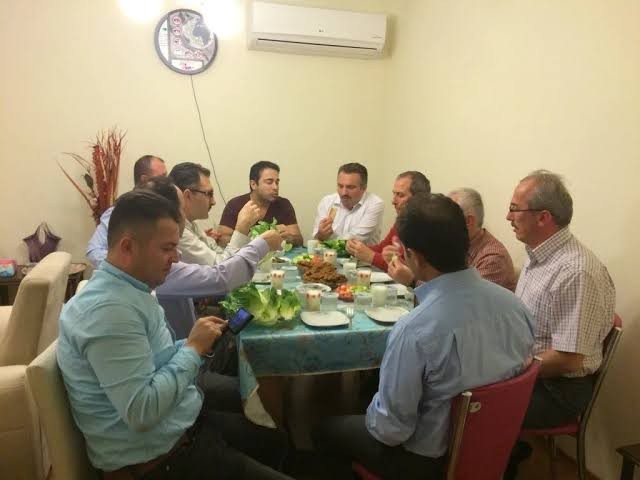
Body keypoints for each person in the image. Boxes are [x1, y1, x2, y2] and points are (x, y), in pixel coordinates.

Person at [58, 190, 292, 480]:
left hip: (182, 424)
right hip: (159, 461)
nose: (177, 257)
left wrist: (195, 341)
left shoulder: (132, 288)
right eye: (167, 248)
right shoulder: (107, 311)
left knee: (275, 441)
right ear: (128, 247)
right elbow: (142, 411)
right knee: (267, 431)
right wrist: (193, 349)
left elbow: (154, 361)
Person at [313, 193, 535, 480]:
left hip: (427, 462)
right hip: (495, 446)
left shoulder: (415, 330)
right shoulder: (516, 307)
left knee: (324, 430)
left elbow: (391, 430)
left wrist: (370, 408)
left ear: (413, 256)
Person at [504, 170, 615, 479]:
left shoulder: (576, 272)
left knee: (472, 402)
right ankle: (505, 455)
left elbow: (568, 359)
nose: (508, 216)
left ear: (543, 217)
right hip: (534, 369)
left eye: (514, 209)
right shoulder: (538, 254)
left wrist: (508, 368)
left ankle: (497, 462)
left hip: (558, 389)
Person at [86, 175, 281, 338]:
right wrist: (257, 242)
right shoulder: (115, 309)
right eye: (180, 208)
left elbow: (164, 353)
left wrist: (193, 344)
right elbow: (220, 277)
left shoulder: (139, 274)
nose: (176, 257)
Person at [169, 162, 261, 266]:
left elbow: (219, 254)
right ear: (187, 196)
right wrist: (241, 229)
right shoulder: (178, 233)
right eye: (209, 194)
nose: (213, 202)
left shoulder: (191, 224)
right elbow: (222, 269)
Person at [87, 154, 167, 267]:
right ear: (144, 180)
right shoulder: (122, 209)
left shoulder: (167, 208)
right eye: (162, 177)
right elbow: (94, 251)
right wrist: (129, 264)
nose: (167, 182)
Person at [346, 171, 430, 271]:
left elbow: (412, 271)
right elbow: (383, 248)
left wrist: (370, 256)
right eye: (394, 194)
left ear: (418, 198)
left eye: (400, 195)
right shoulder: (402, 221)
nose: (393, 201)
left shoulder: (425, 227)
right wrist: (356, 249)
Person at [218, 161, 303, 247]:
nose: (275, 187)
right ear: (253, 184)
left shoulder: (284, 204)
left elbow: (299, 240)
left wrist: (288, 238)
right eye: (269, 182)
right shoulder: (235, 204)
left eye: (277, 182)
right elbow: (222, 240)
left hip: (278, 255)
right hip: (245, 254)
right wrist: (256, 241)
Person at [448, 187, 516, 291]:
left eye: (447, 218)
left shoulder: (492, 258)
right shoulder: (457, 245)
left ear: (468, 222)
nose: (441, 223)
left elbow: (463, 297)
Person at [312, 163, 384, 244]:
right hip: (327, 252)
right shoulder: (327, 201)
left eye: (350, 187)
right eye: (340, 186)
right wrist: (320, 235)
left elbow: (353, 241)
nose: (344, 193)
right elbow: (316, 237)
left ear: (364, 188)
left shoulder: (375, 204)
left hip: (358, 253)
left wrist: (326, 238)